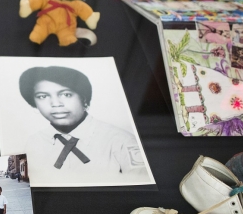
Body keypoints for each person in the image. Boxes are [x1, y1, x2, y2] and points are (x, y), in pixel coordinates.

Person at [19, 66, 148, 186]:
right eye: (43, 96)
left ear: (85, 99)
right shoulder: (34, 142)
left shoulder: (121, 141)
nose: (55, 103)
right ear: (34, 105)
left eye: (66, 94)